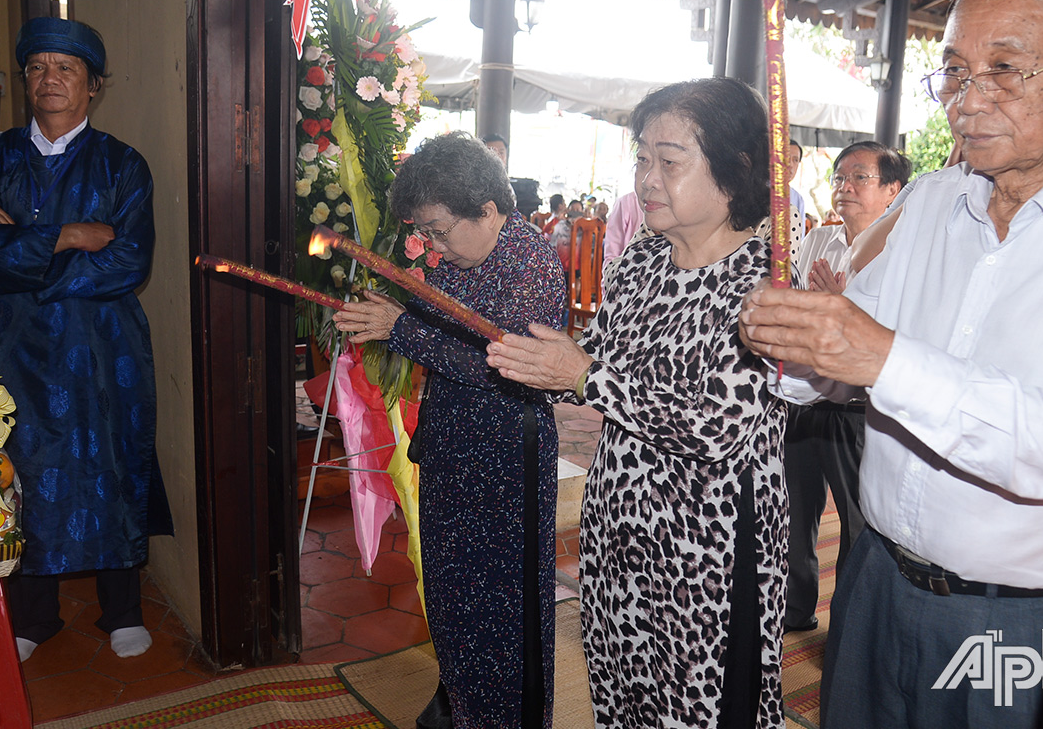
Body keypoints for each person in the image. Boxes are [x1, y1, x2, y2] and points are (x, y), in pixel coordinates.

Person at [738, 0, 1043, 728]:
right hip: (872, 581)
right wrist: (791, 345)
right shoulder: (930, 202)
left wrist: (883, 358)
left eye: (1004, 68)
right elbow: (846, 368)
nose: (967, 100)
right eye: (954, 71)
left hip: (1023, 622)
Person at [487, 78, 790, 727]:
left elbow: (714, 426)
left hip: (706, 548)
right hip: (618, 528)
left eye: (670, 161)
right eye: (642, 158)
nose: (647, 179)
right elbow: (597, 361)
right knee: (621, 698)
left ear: (736, 171)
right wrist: (536, 362)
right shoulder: (642, 262)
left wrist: (583, 376)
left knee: (698, 710)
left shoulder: (767, 282)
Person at [0, 16, 172, 662]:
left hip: (104, 348)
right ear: (24, 79)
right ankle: (32, 618)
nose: (49, 79)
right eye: (37, 67)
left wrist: (20, 247)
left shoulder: (123, 164)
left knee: (111, 460)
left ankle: (121, 609)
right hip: (13, 347)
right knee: (20, 470)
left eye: (65, 68)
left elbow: (127, 264)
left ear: (93, 85)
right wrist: (66, 235)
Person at [333, 132, 564, 728]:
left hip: (505, 454)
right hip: (452, 446)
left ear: (487, 209)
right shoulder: (462, 255)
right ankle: (461, 704)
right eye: (426, 232)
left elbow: (513, 373)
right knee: (453, 599)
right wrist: (388, 310)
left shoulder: (529, 261)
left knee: (502, 612)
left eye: (440, 229)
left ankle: (501, 717)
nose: (433, 245)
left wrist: (401, 329)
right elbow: (440, 328)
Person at [780, 142, 907, 636]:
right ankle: (793, 609)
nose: (844, 188)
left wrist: (839, 309)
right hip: (806, 395)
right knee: (793, 508)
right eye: (838, 178)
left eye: (859, 178)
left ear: (893, 191)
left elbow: (890, 331)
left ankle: (852, 627)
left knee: (859, 522)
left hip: (858, 408)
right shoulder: (818, 241)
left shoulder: (902, 253)